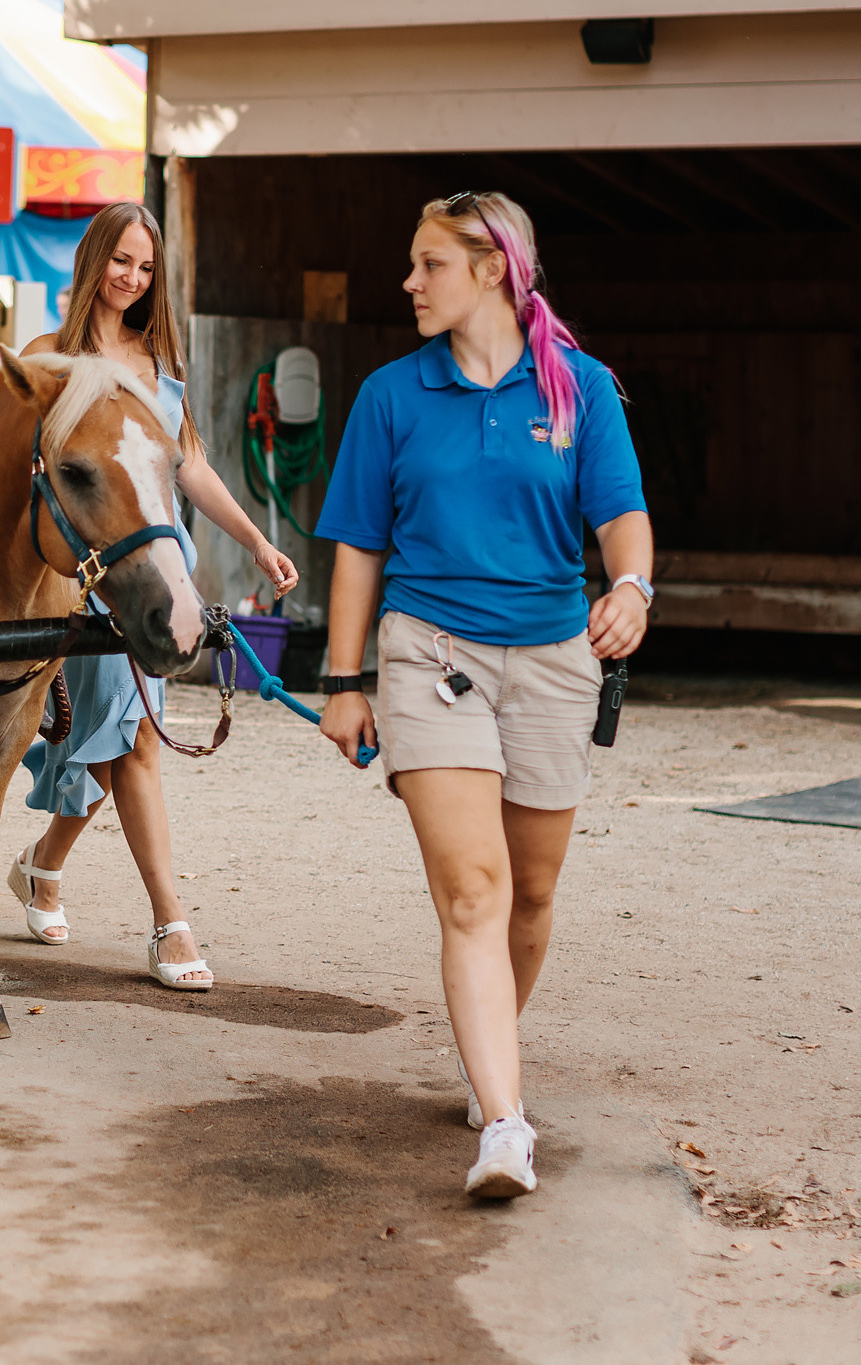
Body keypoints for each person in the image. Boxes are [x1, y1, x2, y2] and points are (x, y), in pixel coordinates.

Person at [313, 191, 651, 1200]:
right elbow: (357, 547)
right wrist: (342, 680)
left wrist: (630, 587)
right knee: (473, 890)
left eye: (429, 266)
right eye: (412, 265)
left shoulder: (579, 390)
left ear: (492, 269)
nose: (409, 283)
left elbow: (622, 520)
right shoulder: (390, 396)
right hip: (431, 654)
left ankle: (488, 1055)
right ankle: (505, 1123)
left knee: (532, 896)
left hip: (553, 660)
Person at [6, 202, 300, 990]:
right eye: (121, 260)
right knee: (130, 743)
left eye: (145, 267)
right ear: (93, 260)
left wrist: (257, 543)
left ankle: (42, 864)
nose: (131, 278)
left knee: (115, 744)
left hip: (161, 582)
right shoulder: (48, 358)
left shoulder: (156, 365)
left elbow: (190, 469)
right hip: (94, 577)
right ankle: (170, 921)